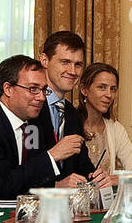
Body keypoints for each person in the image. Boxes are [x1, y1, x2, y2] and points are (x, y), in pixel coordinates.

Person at [0, 55, 99, 201]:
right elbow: (5, 186)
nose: (42, 97)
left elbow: (29, 173)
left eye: (44, 90)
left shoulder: (33, 124)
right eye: (33, 89)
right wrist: (52, 155)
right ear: (8, 89)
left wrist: (57, 185)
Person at [37, 31, 102, 183]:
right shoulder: (29, 107)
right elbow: (22, 170)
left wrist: (97, 178)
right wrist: (55, 187)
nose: (73, 72)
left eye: (78, 65)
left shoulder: (72, 113)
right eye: (65, 62)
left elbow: (82, 166)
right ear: (45, 60)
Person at [73, 63, 132, 175]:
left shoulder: (115, 128)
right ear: (84, 90)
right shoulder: (68, 123)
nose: (109, 95)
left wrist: (117, 180)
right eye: (102, 87)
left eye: (113, 89)